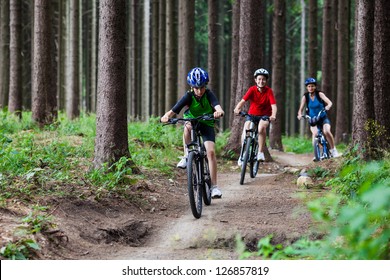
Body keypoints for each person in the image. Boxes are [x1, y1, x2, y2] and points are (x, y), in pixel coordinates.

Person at [161, 67, 225, 198]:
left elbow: (217, 106)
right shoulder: (188, 96)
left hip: (207, 122)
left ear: (205, 86)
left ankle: (214, 187)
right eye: (196, 88)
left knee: (211, 152)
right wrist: (166, 116)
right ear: (191, 87)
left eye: (201, 87)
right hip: (192, 121)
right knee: (187, 127)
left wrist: (219, 111)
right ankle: (186, 156)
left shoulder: (209, 94)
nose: (199, 90)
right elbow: (174, 109)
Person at [233, 68, 277, 166]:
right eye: (259, 79)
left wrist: (273, 115)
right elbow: (243, 100)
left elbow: (273, 105)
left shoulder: (269, 91)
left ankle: (260, 153)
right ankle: (243, 154)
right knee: (246, 129)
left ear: (266, 81)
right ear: (255, 80)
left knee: (261, 128)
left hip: (265, 116)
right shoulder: (252, 89)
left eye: (263, 79)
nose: (261, 81)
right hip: (252, 114)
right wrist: (237, 108)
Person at [297, 77, 339, 158]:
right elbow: (300, 109)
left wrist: (328, 106)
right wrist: (299, 115)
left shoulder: (320, 94)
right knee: (315, 135)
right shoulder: (305, 97)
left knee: (326, 131)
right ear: (307, 87)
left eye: (312, 86)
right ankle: (319, 153)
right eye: (309, 86)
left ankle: (333, 150)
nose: (310, 88)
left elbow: (329, 102)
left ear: (315, 86)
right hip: (313, 120)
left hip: (323, 118)